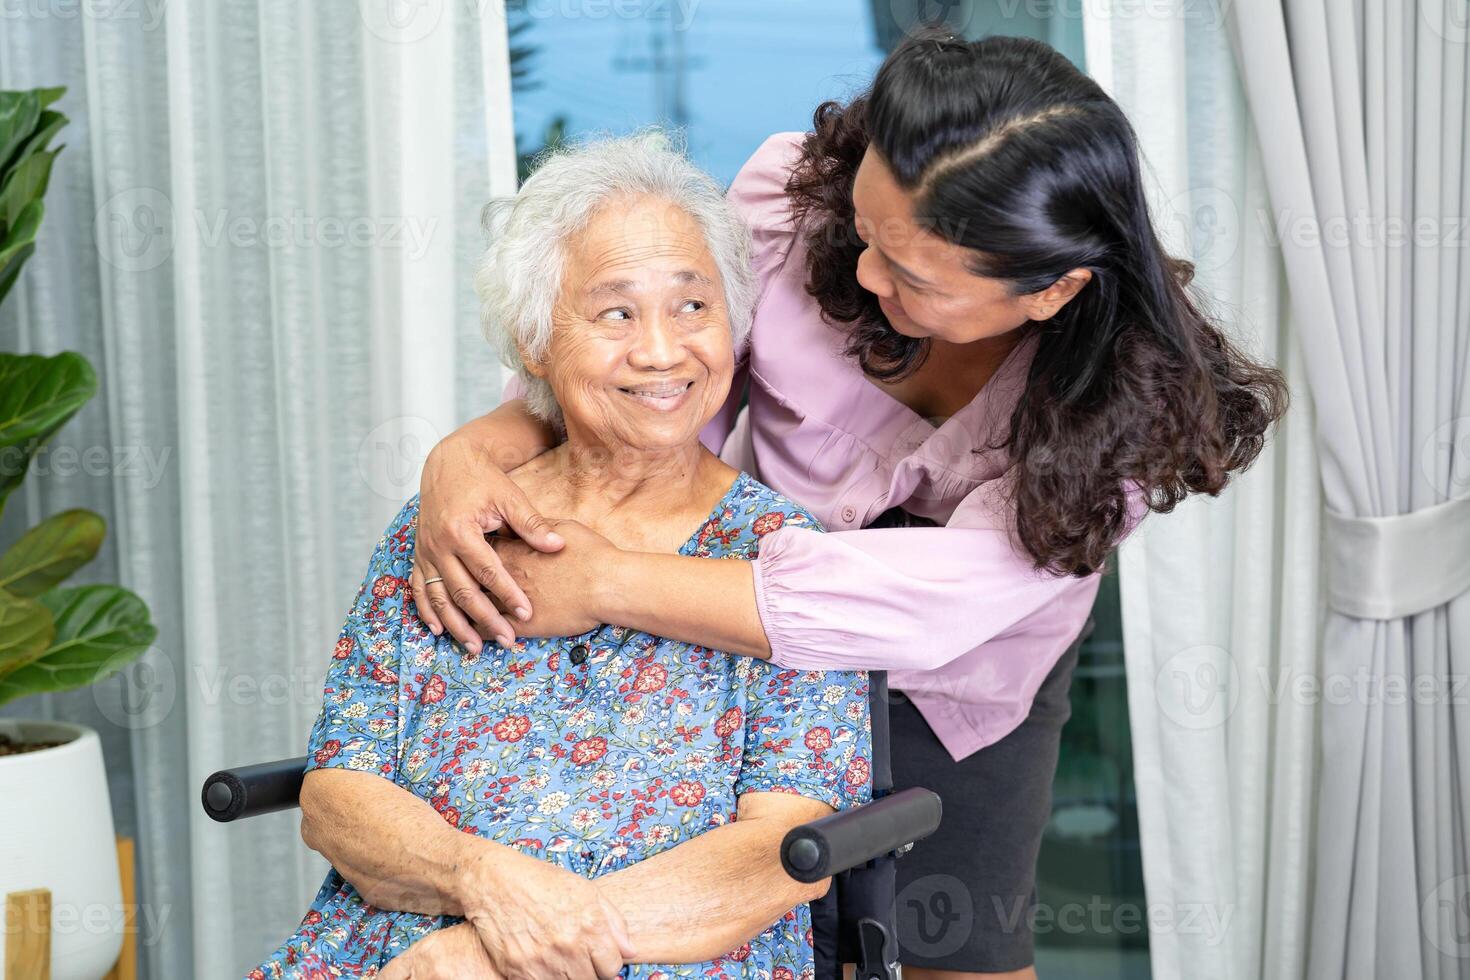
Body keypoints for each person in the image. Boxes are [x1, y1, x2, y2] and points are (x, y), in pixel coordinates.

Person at [411, 33, 1289, 980]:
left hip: (960, 673)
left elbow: (927, 610)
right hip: (709, 605)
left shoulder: (1122, 410)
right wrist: (464, 458)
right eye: (869, 234)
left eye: (913, 277)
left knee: (959, 951)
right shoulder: (796, 199)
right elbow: (642, 379)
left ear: (1052, 290)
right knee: (747, 924)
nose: (867, 276)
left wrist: (603, 583)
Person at [249, 133, 872, 980]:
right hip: (402, 949)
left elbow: (779, 852)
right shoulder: (449, 528)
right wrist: (481, 881)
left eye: (694, 307)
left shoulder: (788, 559)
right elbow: (335, 797)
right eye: (616, 313)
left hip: (665, 953)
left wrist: (485, 957)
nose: (661, 351)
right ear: (535, 343)